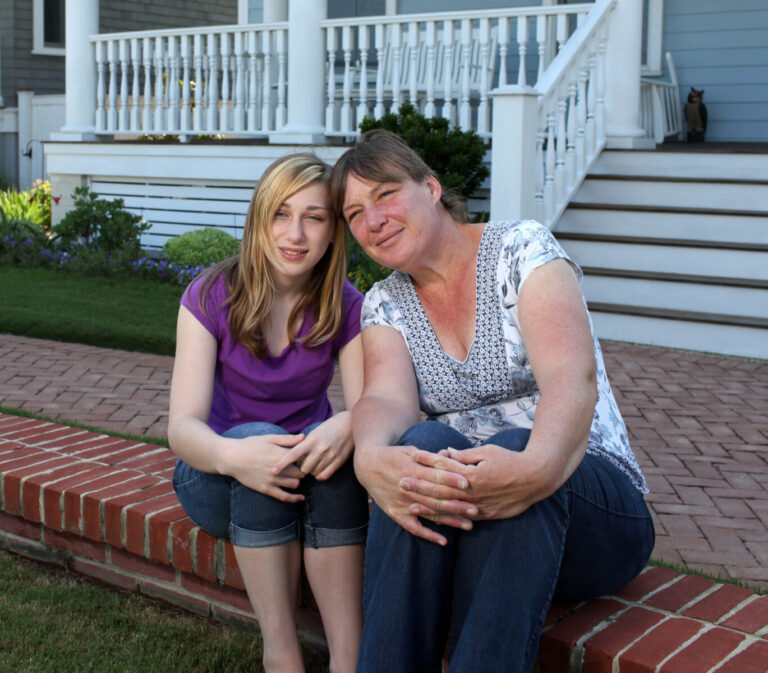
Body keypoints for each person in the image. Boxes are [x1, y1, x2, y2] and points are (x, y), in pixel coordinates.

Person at [328, 130, 655, 673]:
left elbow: (572, 382)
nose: (373, 220)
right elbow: (385, 398)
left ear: (431, 188)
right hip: (473, 514)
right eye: (354, 213)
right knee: (420, 447)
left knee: (512, 447)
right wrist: (370, 457)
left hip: (588, 502)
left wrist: (535, 467)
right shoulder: (385, 301)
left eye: (385, 194)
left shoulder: (523, 250)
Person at [168, 153, 367, 673]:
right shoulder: (211, 295)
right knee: (261, 438)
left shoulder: (346, 305)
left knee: (337, 451)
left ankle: (350, 658)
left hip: (306, 478)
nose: (295, 233)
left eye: (315, 217)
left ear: (333, 232)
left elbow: (373, 406)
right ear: (258, 219)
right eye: (280, 213)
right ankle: (281, 653)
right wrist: (235, 457)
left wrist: (348, 421)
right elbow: (182, 428)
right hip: (215, 474)